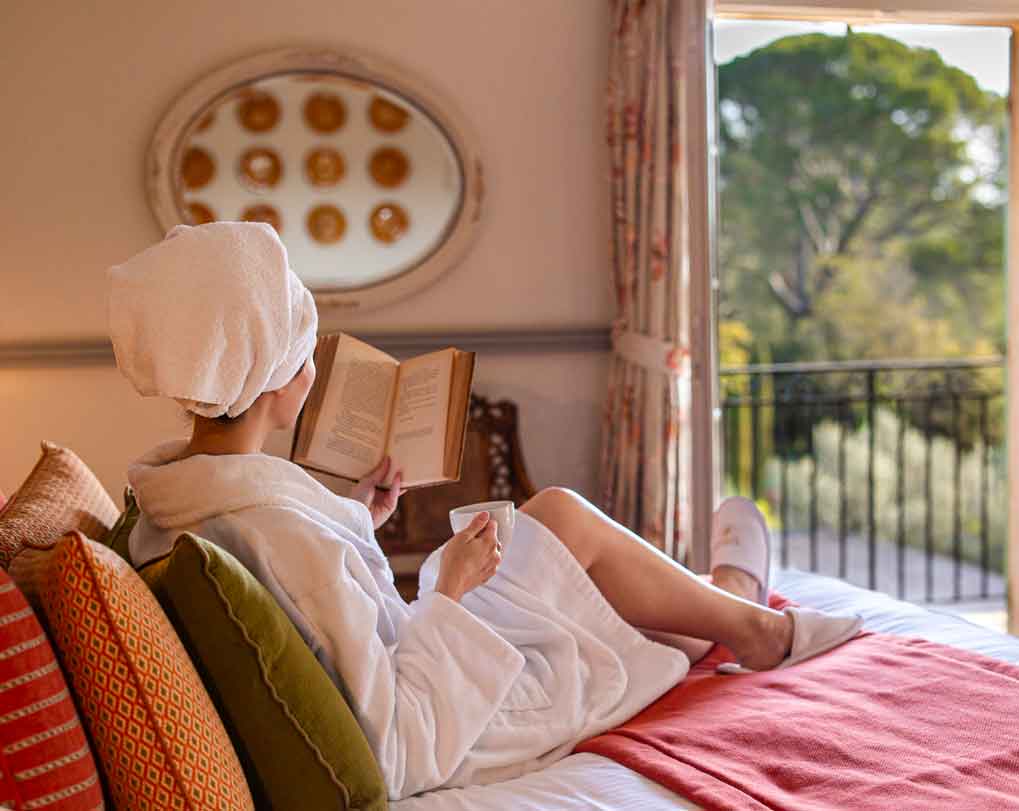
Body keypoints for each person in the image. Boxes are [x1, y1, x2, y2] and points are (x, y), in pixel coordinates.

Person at [110, 223, 860, 799]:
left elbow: (317, 603)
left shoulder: (185, 499)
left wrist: (357, 520)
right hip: (463, 714)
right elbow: (396, 743)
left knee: (562, 530)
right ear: (279, 378)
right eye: (304, 344)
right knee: (571, 538)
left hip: (427, 655)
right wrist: (453, 591)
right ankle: (748, 613)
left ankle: (731, 599)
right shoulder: (266, 527)